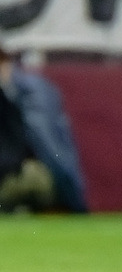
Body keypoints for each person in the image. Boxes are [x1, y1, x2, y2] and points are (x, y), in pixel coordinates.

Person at [0, 47, 88, 213]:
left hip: (24, 174)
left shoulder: (31, 91)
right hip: (18, 174)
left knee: (33, 179)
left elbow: (50, 146)